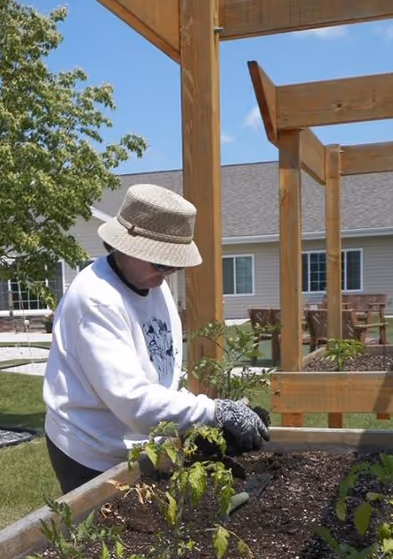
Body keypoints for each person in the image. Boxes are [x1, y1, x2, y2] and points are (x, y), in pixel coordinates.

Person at [43, 183, 269, 494]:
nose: (168, 273)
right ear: (126, 247)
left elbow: (160, 373)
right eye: (161, 262)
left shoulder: (153, 282)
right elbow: (134, 402)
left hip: (142, 445)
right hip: (90, 452)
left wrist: (204, 417)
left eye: (174, 265)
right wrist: (213, 412)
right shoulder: (96, 300)